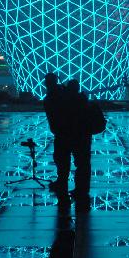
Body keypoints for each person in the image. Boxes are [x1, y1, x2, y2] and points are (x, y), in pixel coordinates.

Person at [43, 74, 92, 207]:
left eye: (47, 82)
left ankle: (69, 186)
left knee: (66, 161)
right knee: (78, 162)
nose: (45, 84)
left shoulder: (57, 97)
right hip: (79, 135)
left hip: (66, 134)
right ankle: (79, 189)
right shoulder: (78, 97)